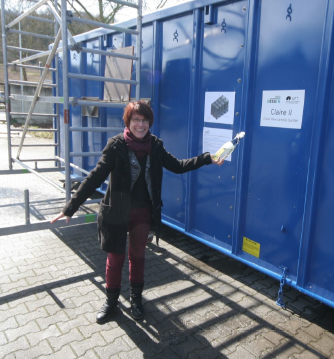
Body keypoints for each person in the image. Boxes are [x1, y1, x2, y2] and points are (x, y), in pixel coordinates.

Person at [51, 100, 223, 324]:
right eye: (136, 120)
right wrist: (70, 208)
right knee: (115, 258)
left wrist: (208, 158)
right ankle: (111, 302)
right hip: (116, 213)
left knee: (138, 256)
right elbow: (95, 177)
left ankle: (136, 299)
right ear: (128, 121)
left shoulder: (156, 146)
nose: (140, 124)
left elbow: (179, 166)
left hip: (143, 212)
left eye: (144, 120)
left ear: (149, 122)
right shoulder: (116, 146)